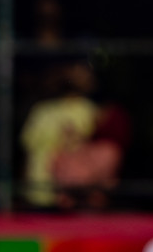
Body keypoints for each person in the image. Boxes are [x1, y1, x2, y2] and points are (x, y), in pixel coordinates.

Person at [18, 61, 97, 209]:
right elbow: (27, 151)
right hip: (40, 189)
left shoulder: (88, 110)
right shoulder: (42, 110)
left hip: (72, 193)